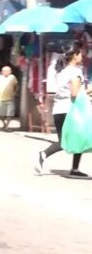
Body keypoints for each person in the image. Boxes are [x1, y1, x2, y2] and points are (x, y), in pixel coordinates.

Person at [36, 49, 88, 177]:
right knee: (70, 140)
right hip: (70, 110)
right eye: (80, 54)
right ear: (74, 56)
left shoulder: (61, 71)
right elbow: (75, 93)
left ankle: (74, 169)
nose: (82, 56)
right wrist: (88, 91)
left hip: (59, 109)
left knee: (77, 138)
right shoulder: (76, 72)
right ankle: (43, 154)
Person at [0, 66, 18, 131]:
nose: (5, 72)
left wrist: (15, 93)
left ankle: (6, 126)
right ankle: (4, 125)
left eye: (7, 71)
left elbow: (16, 86)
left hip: (10, 99)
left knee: (10, 114)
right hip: (1, 99)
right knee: (1, 114)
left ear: (10, 71)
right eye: (3, 71)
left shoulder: (13, 77)